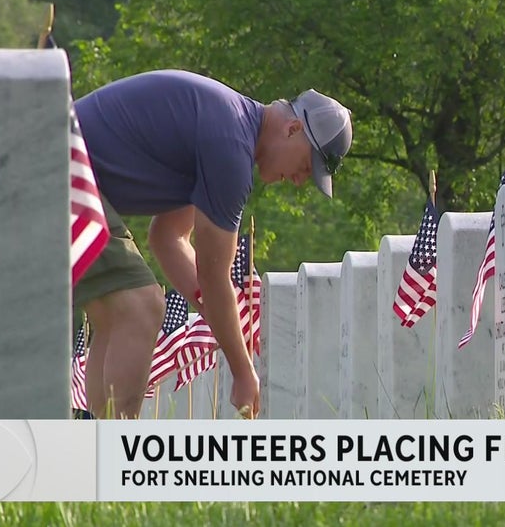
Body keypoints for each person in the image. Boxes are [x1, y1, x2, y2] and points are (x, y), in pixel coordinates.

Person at [71, 69, 353, 419]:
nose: (298, 181)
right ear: (292, 129)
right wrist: (242, 370)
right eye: (305, 166)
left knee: (116, 314)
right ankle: (116, 458)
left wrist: (217, 315)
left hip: (64, 173)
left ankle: (94, 450)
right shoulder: (231, 147)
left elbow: (169, 239)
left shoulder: (226, 126)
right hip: (58, 169)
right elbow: (213, 274)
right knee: (142, 307)